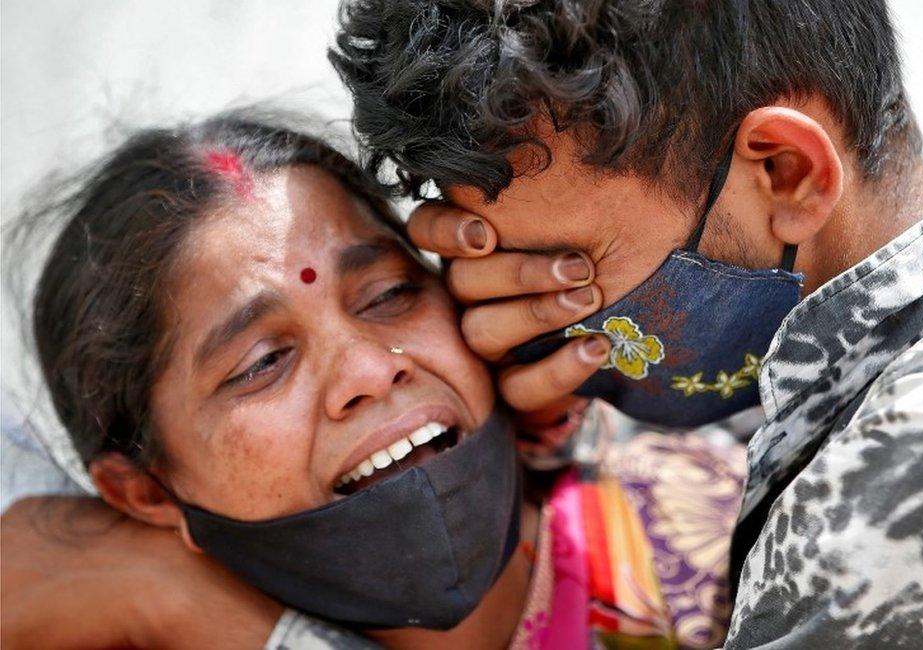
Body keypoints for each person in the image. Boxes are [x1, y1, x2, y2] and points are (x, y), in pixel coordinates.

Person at [328, 0, 923, 646]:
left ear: (787, 170)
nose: (526, 318)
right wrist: (550, 430)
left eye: (564, 265)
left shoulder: (902, 467)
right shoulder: (850, 379)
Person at [1, 114, 746, 649]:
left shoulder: (713, 533)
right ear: (148, 494)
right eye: (263, 363)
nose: (370, 368)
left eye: (391, 295)